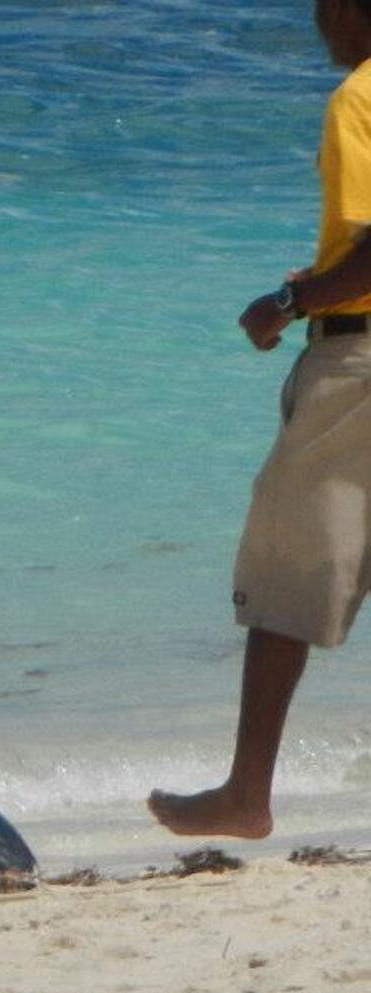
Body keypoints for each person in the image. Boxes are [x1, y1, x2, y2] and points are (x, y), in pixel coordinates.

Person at [149, 0, 371, 839]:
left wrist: (290, 300)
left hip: (359, 369)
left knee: (288, 570)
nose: (319, 24)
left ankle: (247, 794)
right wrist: (326, 276)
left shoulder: (360, 95)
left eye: (324, 6)